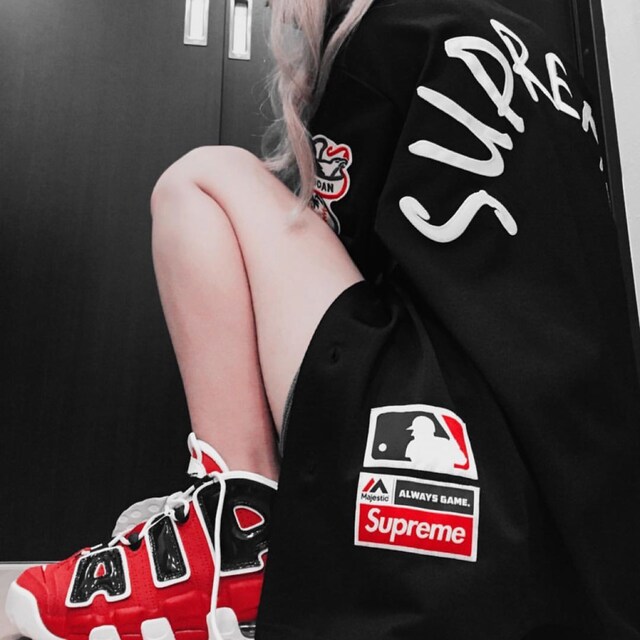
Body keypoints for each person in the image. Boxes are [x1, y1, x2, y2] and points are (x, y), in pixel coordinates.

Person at [5, 0, 640, 638]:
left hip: (449, 489)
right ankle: (238, 521)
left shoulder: (387, 35)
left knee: (200, 179)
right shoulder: (547, 58)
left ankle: (238, 532)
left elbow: (343, 268)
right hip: (588, 523)